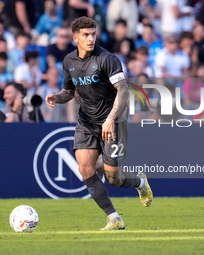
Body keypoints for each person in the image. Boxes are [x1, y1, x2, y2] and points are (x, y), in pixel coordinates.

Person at [45, 17, 153, 231]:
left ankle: (140, 182)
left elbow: (123, 90)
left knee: (113, 178)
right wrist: (57, 97)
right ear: (75, 38)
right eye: (85, 35)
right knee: (85, 168)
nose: (91, 38)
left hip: (113, 121)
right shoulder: (69, 62)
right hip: (86, 121)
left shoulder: (107, 59)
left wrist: (110, 119)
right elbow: (69, 91)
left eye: (93, 34)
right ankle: (114, 217)